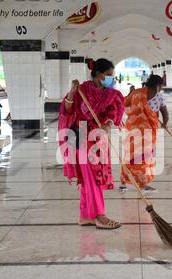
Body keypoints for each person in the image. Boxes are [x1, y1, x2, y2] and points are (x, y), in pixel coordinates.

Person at [59, 58, 125, 230]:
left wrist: (108, 124)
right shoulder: (82, 90)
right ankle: (99, 216)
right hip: (81, 138)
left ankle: (86, 216)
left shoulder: (111, 94)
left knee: (92, 178)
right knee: (92, 178)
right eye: (109, 75)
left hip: (100, 138)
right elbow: (67, 110)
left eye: (112, 76)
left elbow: (115, 110)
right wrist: (73, 92)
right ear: (99, 74)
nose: (112, 79)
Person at [120, 75, 169, 193]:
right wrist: (165, 124)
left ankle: (124, 182)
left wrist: (130, 93)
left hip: (132, 130)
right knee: (145, 157)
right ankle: (143, 184)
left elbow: (125, 104)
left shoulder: (136, 93)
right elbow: (165, 113)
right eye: (161, 86)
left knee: (130, 155)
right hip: (147, 132)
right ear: (158, 85)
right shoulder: (159, 97)